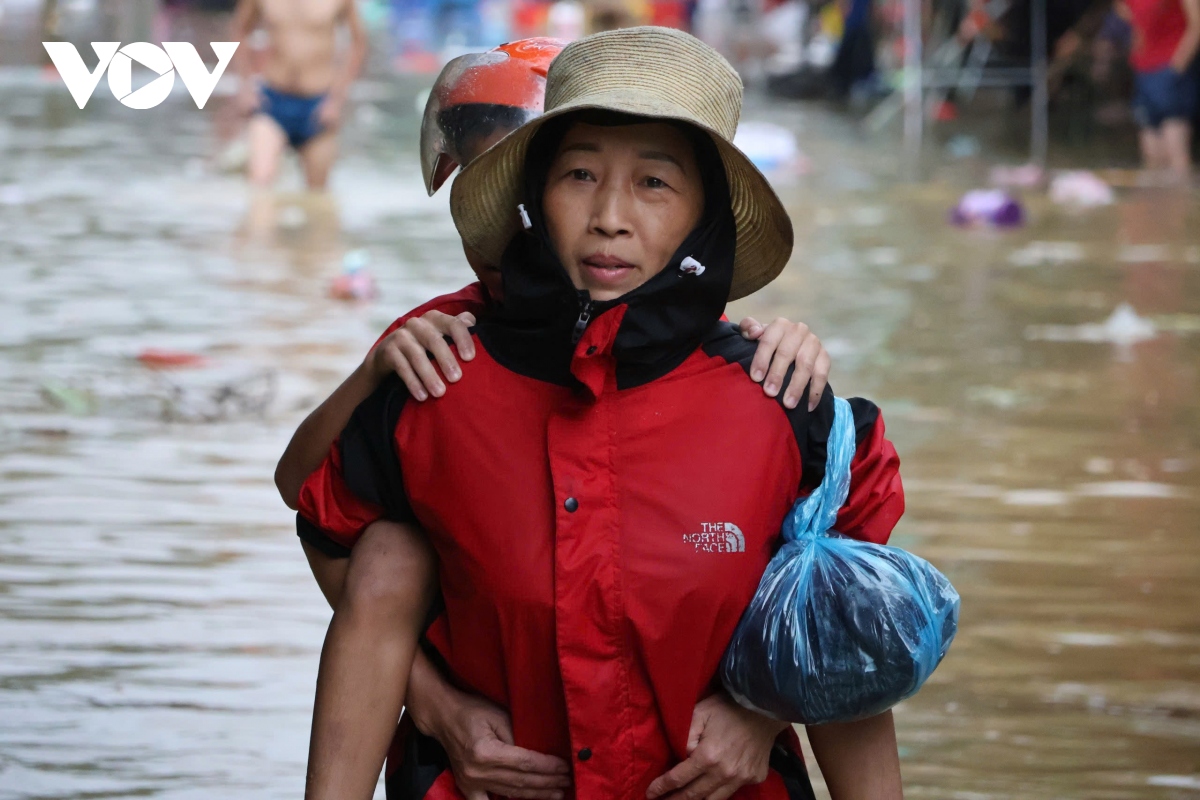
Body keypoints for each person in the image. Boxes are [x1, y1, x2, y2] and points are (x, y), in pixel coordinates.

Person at [293, 25, 905, 800]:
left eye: (655, 183)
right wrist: (438, 705)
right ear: (534, 198)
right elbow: (321, 518)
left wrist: (762, 710)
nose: (610, 215)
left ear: (705, 216)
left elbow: (848, 639)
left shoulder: (784, 404)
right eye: (579, 174)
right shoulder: (437, 370)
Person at [229, 0, 367, 190]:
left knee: (317, 192)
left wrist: (336, 100)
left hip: (318, 105)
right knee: (260, 184)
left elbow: (358, 42)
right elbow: (240, 30)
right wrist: (245, 88)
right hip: (272, 100)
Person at [1118, 0, 1200, 177]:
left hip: (1169, 68)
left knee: (1177, 157)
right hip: (1144, 70)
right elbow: (1127, 14)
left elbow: (1196, 25)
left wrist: (1178, 64)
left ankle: (1182, 200)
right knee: (1151, 158)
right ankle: (1158, 203)